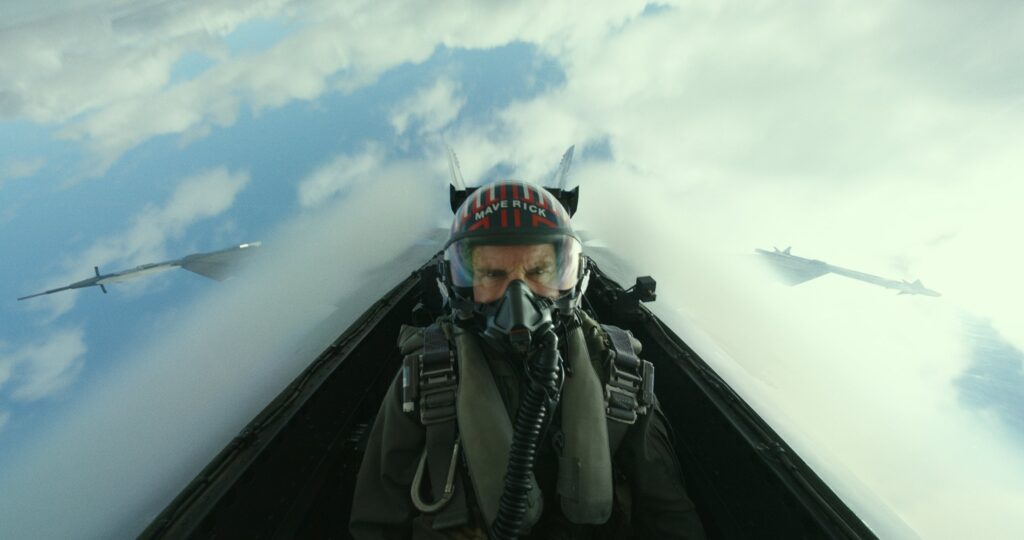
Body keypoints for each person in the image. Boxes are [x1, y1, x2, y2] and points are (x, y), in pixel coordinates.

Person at [350, 180, 704, 539]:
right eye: (492, 273)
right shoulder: (425, 375)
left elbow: (669, 517)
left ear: (572, 277)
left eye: (538, 272)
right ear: (459, 284)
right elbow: (375, 524)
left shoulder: (618, 372)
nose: (518, 298)